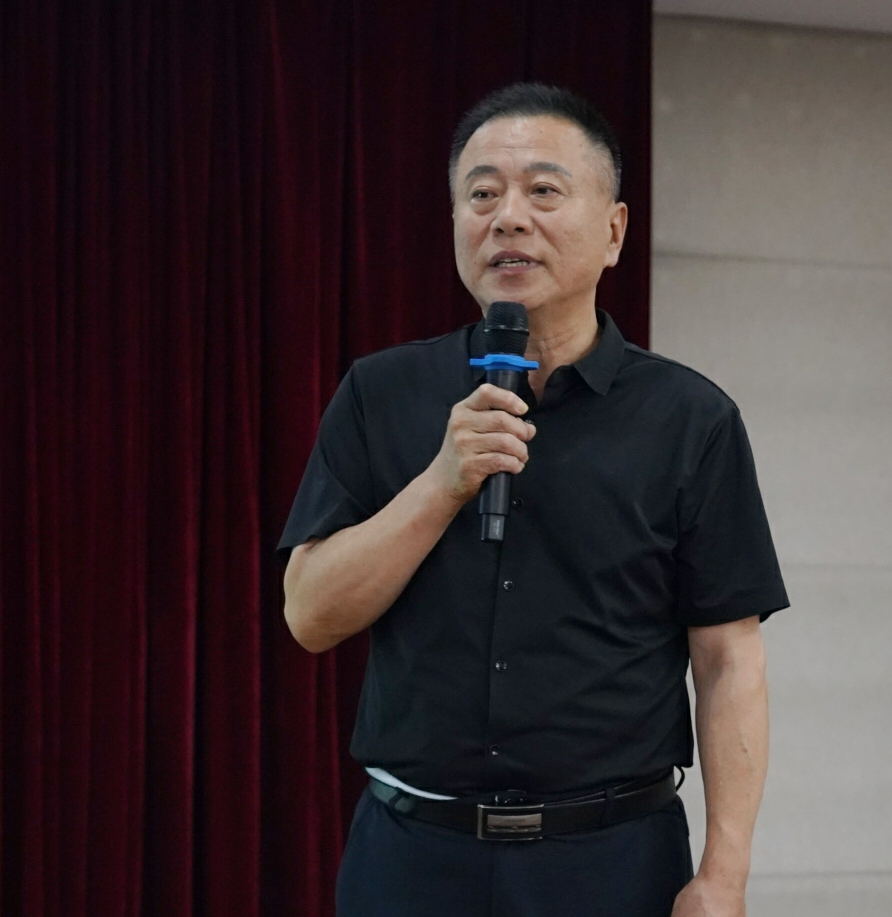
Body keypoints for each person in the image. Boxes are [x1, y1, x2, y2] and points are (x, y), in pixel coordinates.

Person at [278, 82, 788, 917]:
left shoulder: (689, 420)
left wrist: (724, 873)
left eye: (543, 191)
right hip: (411, 859)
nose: (508, 218)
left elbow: (729, 657)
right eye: (482, 195)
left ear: (614, 231)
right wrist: (442, 482)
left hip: (610, 861)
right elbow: (309, 614)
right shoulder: (381, 393)